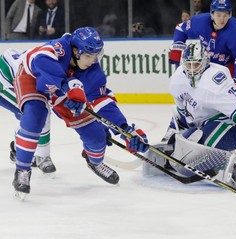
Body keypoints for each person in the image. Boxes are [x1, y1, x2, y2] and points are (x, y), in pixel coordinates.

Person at [11, 26, 149, 200]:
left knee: (96, 135)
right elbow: (39, 61)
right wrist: (66, 86)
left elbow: (103, 102)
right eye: (88, 55)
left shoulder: (92, 70)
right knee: (35, 116)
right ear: (75, 51)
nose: (92, 60)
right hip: (34, 78)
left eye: (96, 55)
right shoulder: (59, 48)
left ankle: (95, 162)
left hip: (64, 88)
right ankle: (22, 169)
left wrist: (125, 130)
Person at [153, 42, 236, 188]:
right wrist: (171, 135)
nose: (191, 70)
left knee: (195, 152)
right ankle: (223, 162)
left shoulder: (214, 81)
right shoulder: (177, 79)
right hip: (207, 125)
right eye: (188, 65)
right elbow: (183, 113)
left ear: (204, 63)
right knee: (180, 160)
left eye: (196, 64)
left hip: (232, 126)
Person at [169, 0, 236, 95]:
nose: (222, 19)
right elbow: (181, 28)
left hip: (230, 66)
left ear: (230, 15)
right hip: (208, 66)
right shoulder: (200, 22)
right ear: (212, 14)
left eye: (225, 15)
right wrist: (176, 50)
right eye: (218, 15)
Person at [0, 49, 56, 175]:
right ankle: (43, 157)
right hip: (4, 80)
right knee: (38, 114)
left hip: (14, 74)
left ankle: (17, 149)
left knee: (36, 114)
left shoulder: (52, 58)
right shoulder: (49, 62)